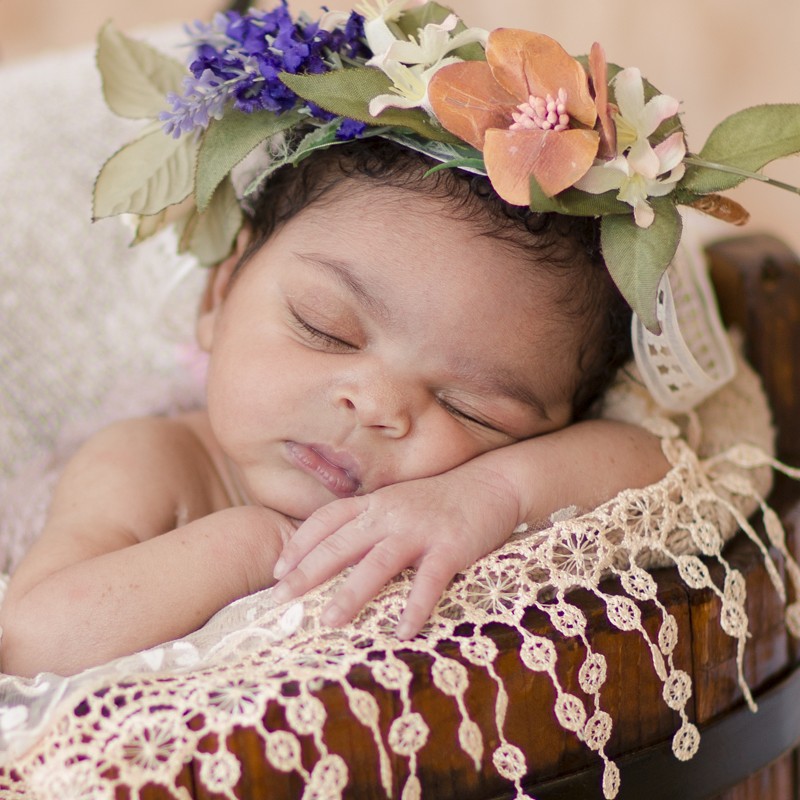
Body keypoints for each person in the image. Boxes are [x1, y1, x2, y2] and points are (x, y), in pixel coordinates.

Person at [2, 0, 797, 678]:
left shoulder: (469, 497)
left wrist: (493, 494)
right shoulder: (155, 463)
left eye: (470, 408)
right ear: (219, 294)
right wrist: (261, 547)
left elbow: (663, 470)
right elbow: (33, 639)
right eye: (326, 329)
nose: (377, 404)